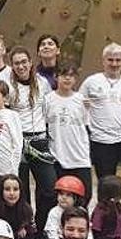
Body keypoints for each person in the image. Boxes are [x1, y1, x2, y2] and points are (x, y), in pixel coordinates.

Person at [9, 46, 56, 232]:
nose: (20, 66)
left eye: (23, 62)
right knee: (21, 190)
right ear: (11, 66)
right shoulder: (10, 87)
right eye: (16, 63)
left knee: (50, 188)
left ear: (30, 63)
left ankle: (42, 224)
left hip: (39, 140)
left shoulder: (43, 83)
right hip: (19, 141)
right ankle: (25, 227)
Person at [79, 42, 121, 179]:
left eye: (118, 60)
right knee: (105, 180)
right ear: (103, 61)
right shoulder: (91, 82)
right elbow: (79, 107)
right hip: (101, 140)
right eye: (110, 60)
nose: (114, 64)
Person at [45, 64, 92, 203]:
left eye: (71, 75)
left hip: (79, 156)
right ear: (56, 77)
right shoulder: (48, 100)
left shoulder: (82, 100)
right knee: (57, 198)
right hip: (57, 156)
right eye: (64, 75)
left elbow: (85, 126)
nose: (67, 78)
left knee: (85, 196)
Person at [0, 80, 23, 196]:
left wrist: (14, 170)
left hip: (7, 168)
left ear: (5, 97)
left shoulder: (11, 115)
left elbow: (18, 143)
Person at [44, 175, 92, 239]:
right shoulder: (54, 212)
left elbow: (88, 232)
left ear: (77, 198)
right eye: (61, 194)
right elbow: (51, 232)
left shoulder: (81, 211)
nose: (63, 197)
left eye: (68, 195)